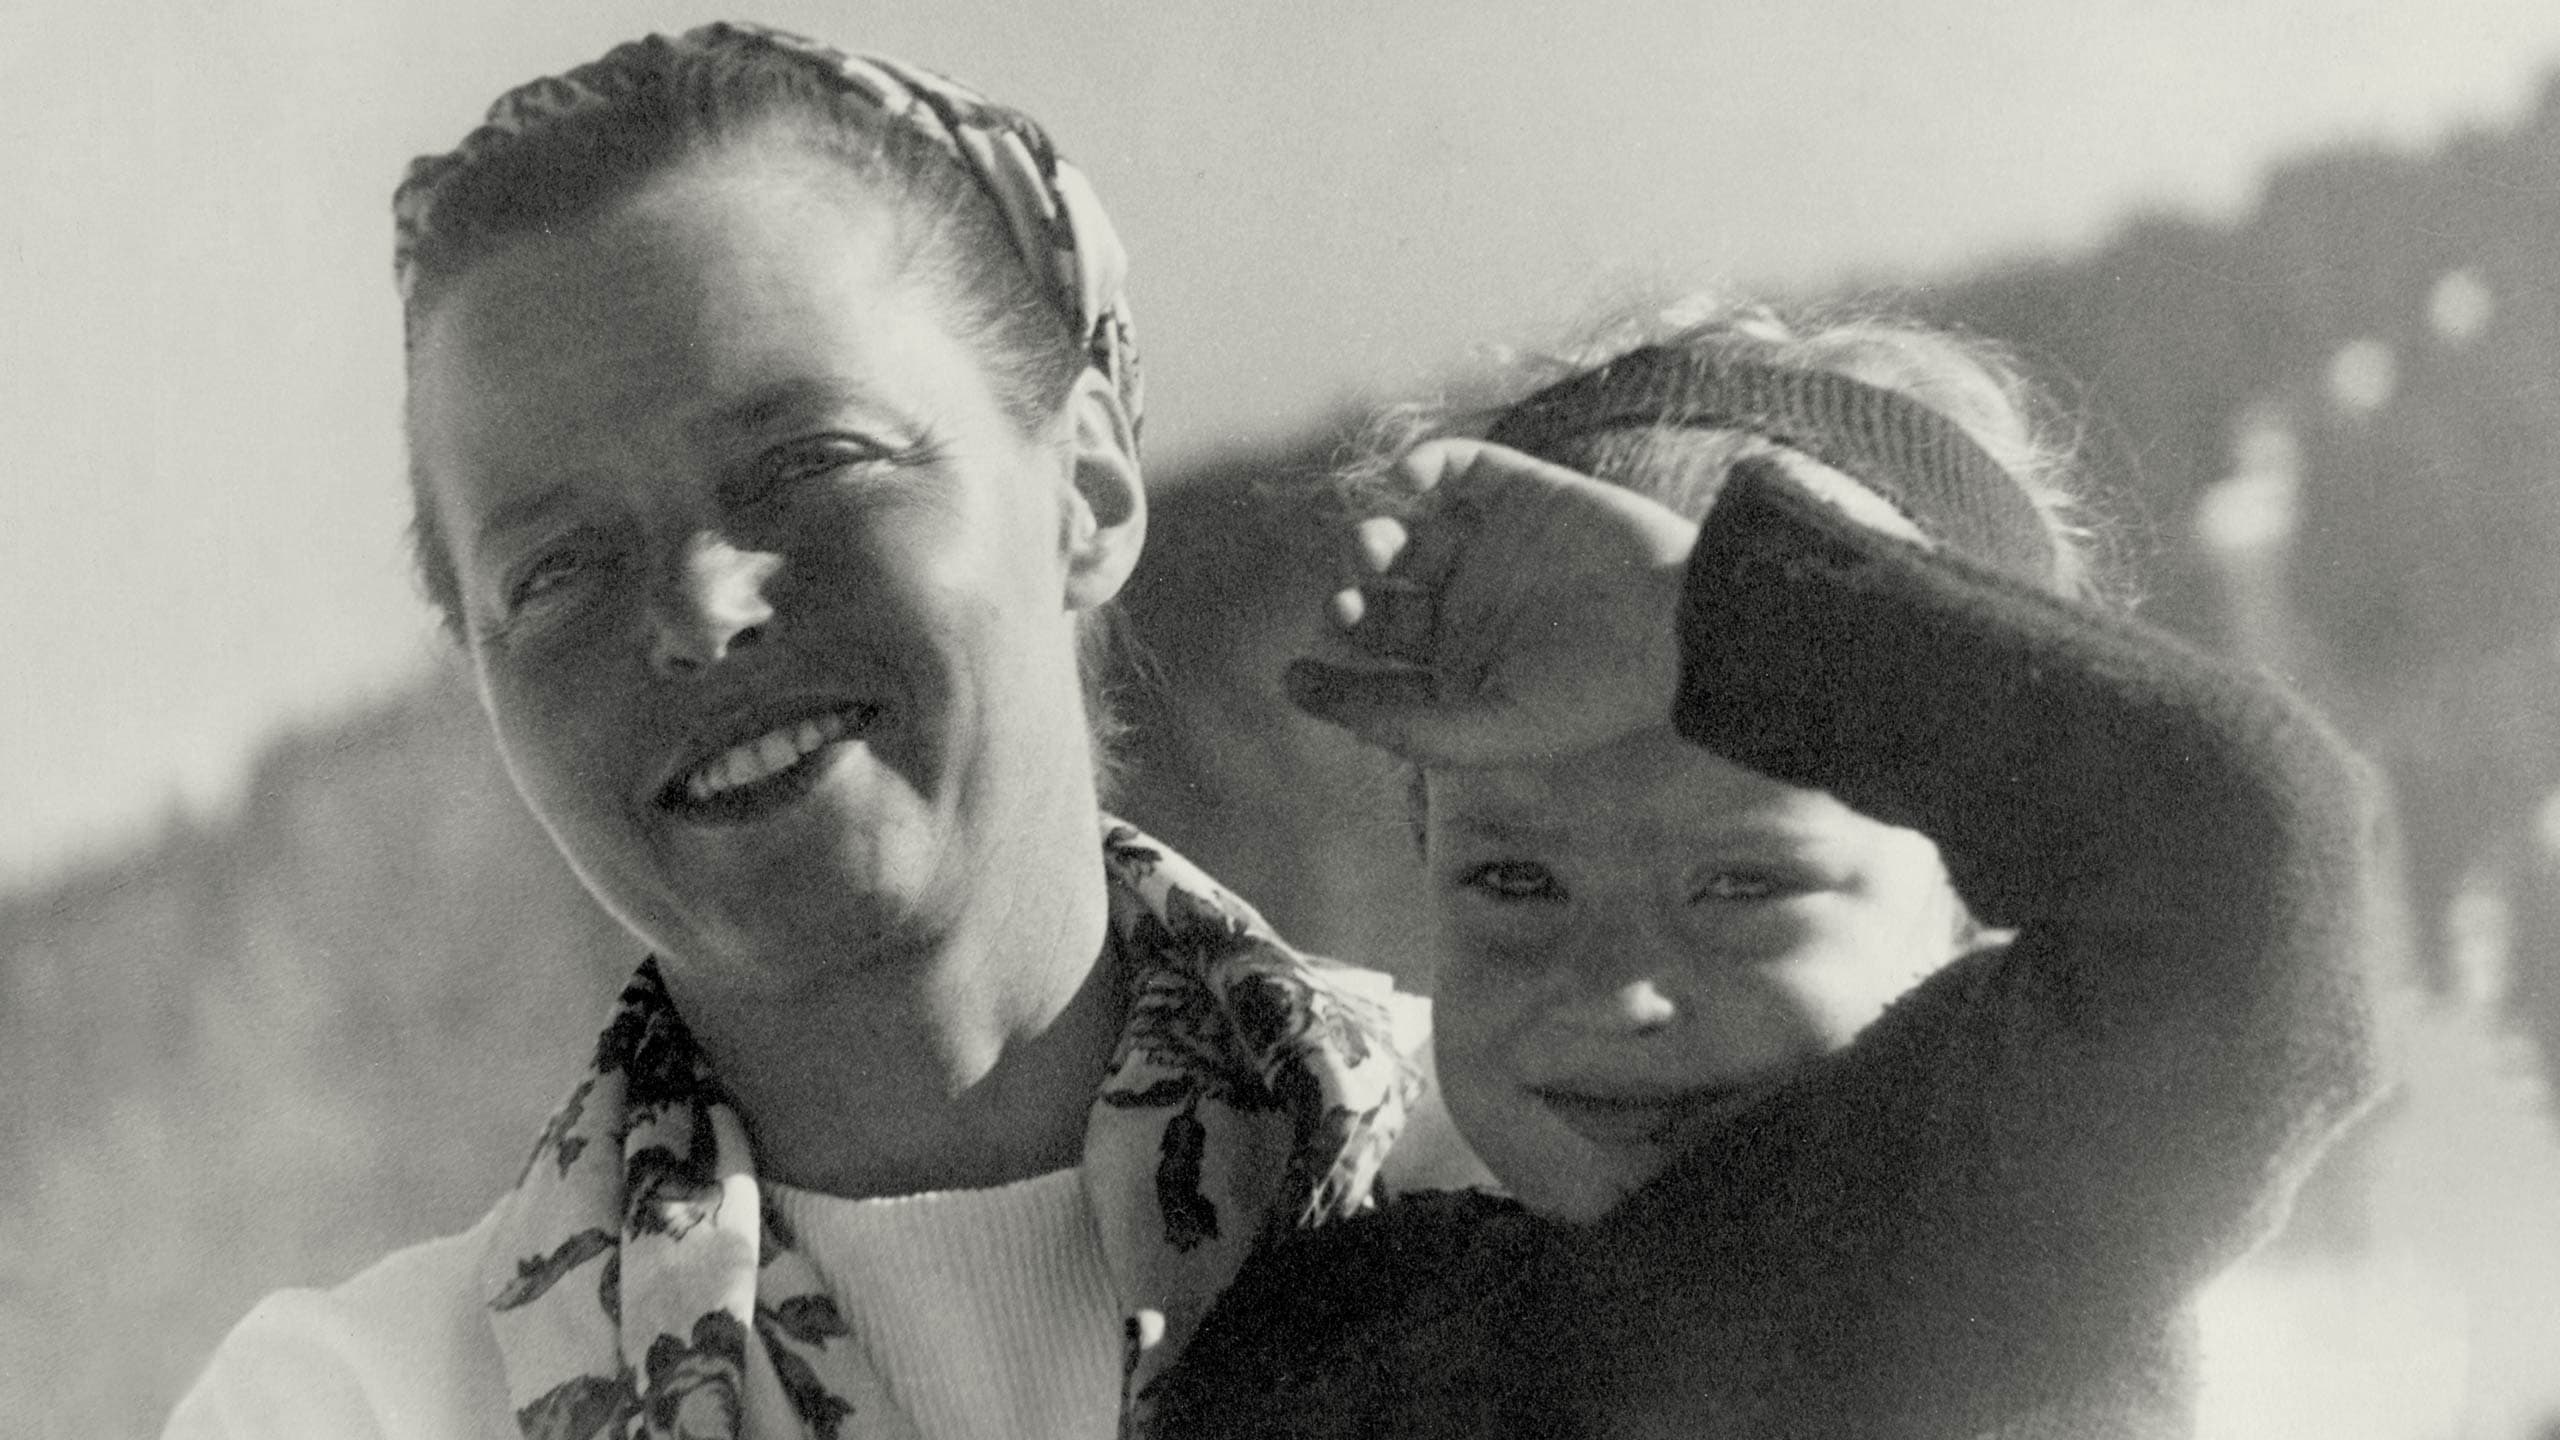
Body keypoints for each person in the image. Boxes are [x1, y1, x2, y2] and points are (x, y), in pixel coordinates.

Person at [164, 24, 1470, 1440]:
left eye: (808, 463)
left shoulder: (1553, 1181)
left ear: (1084, 488)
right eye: (556, 570)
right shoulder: (366, 1408)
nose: (697, 610)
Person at [1144, 308, 2384, 1437]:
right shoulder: (1342, 1329)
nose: (1618, 995)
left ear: (1970, 892)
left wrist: (1714, 623)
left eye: (1742, 887)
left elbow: (2253, 867)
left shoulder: (1989, 1218)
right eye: (1517, 883)